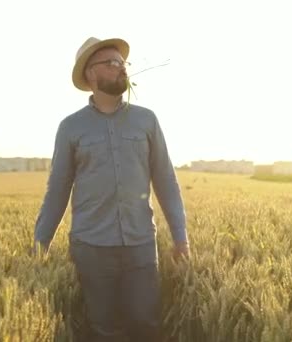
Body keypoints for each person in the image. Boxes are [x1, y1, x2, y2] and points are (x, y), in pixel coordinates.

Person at [32, 36, 190, 342]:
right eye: (112, 63)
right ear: (91, 74)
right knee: (104, 330)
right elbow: (57, 190)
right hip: (91, 248)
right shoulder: (70, 127)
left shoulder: (146, 120)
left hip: (141, 245)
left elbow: (166, 181)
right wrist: (41, 244)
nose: (122, 69)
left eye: (123, 63)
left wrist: (181, 237)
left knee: (146, 326)